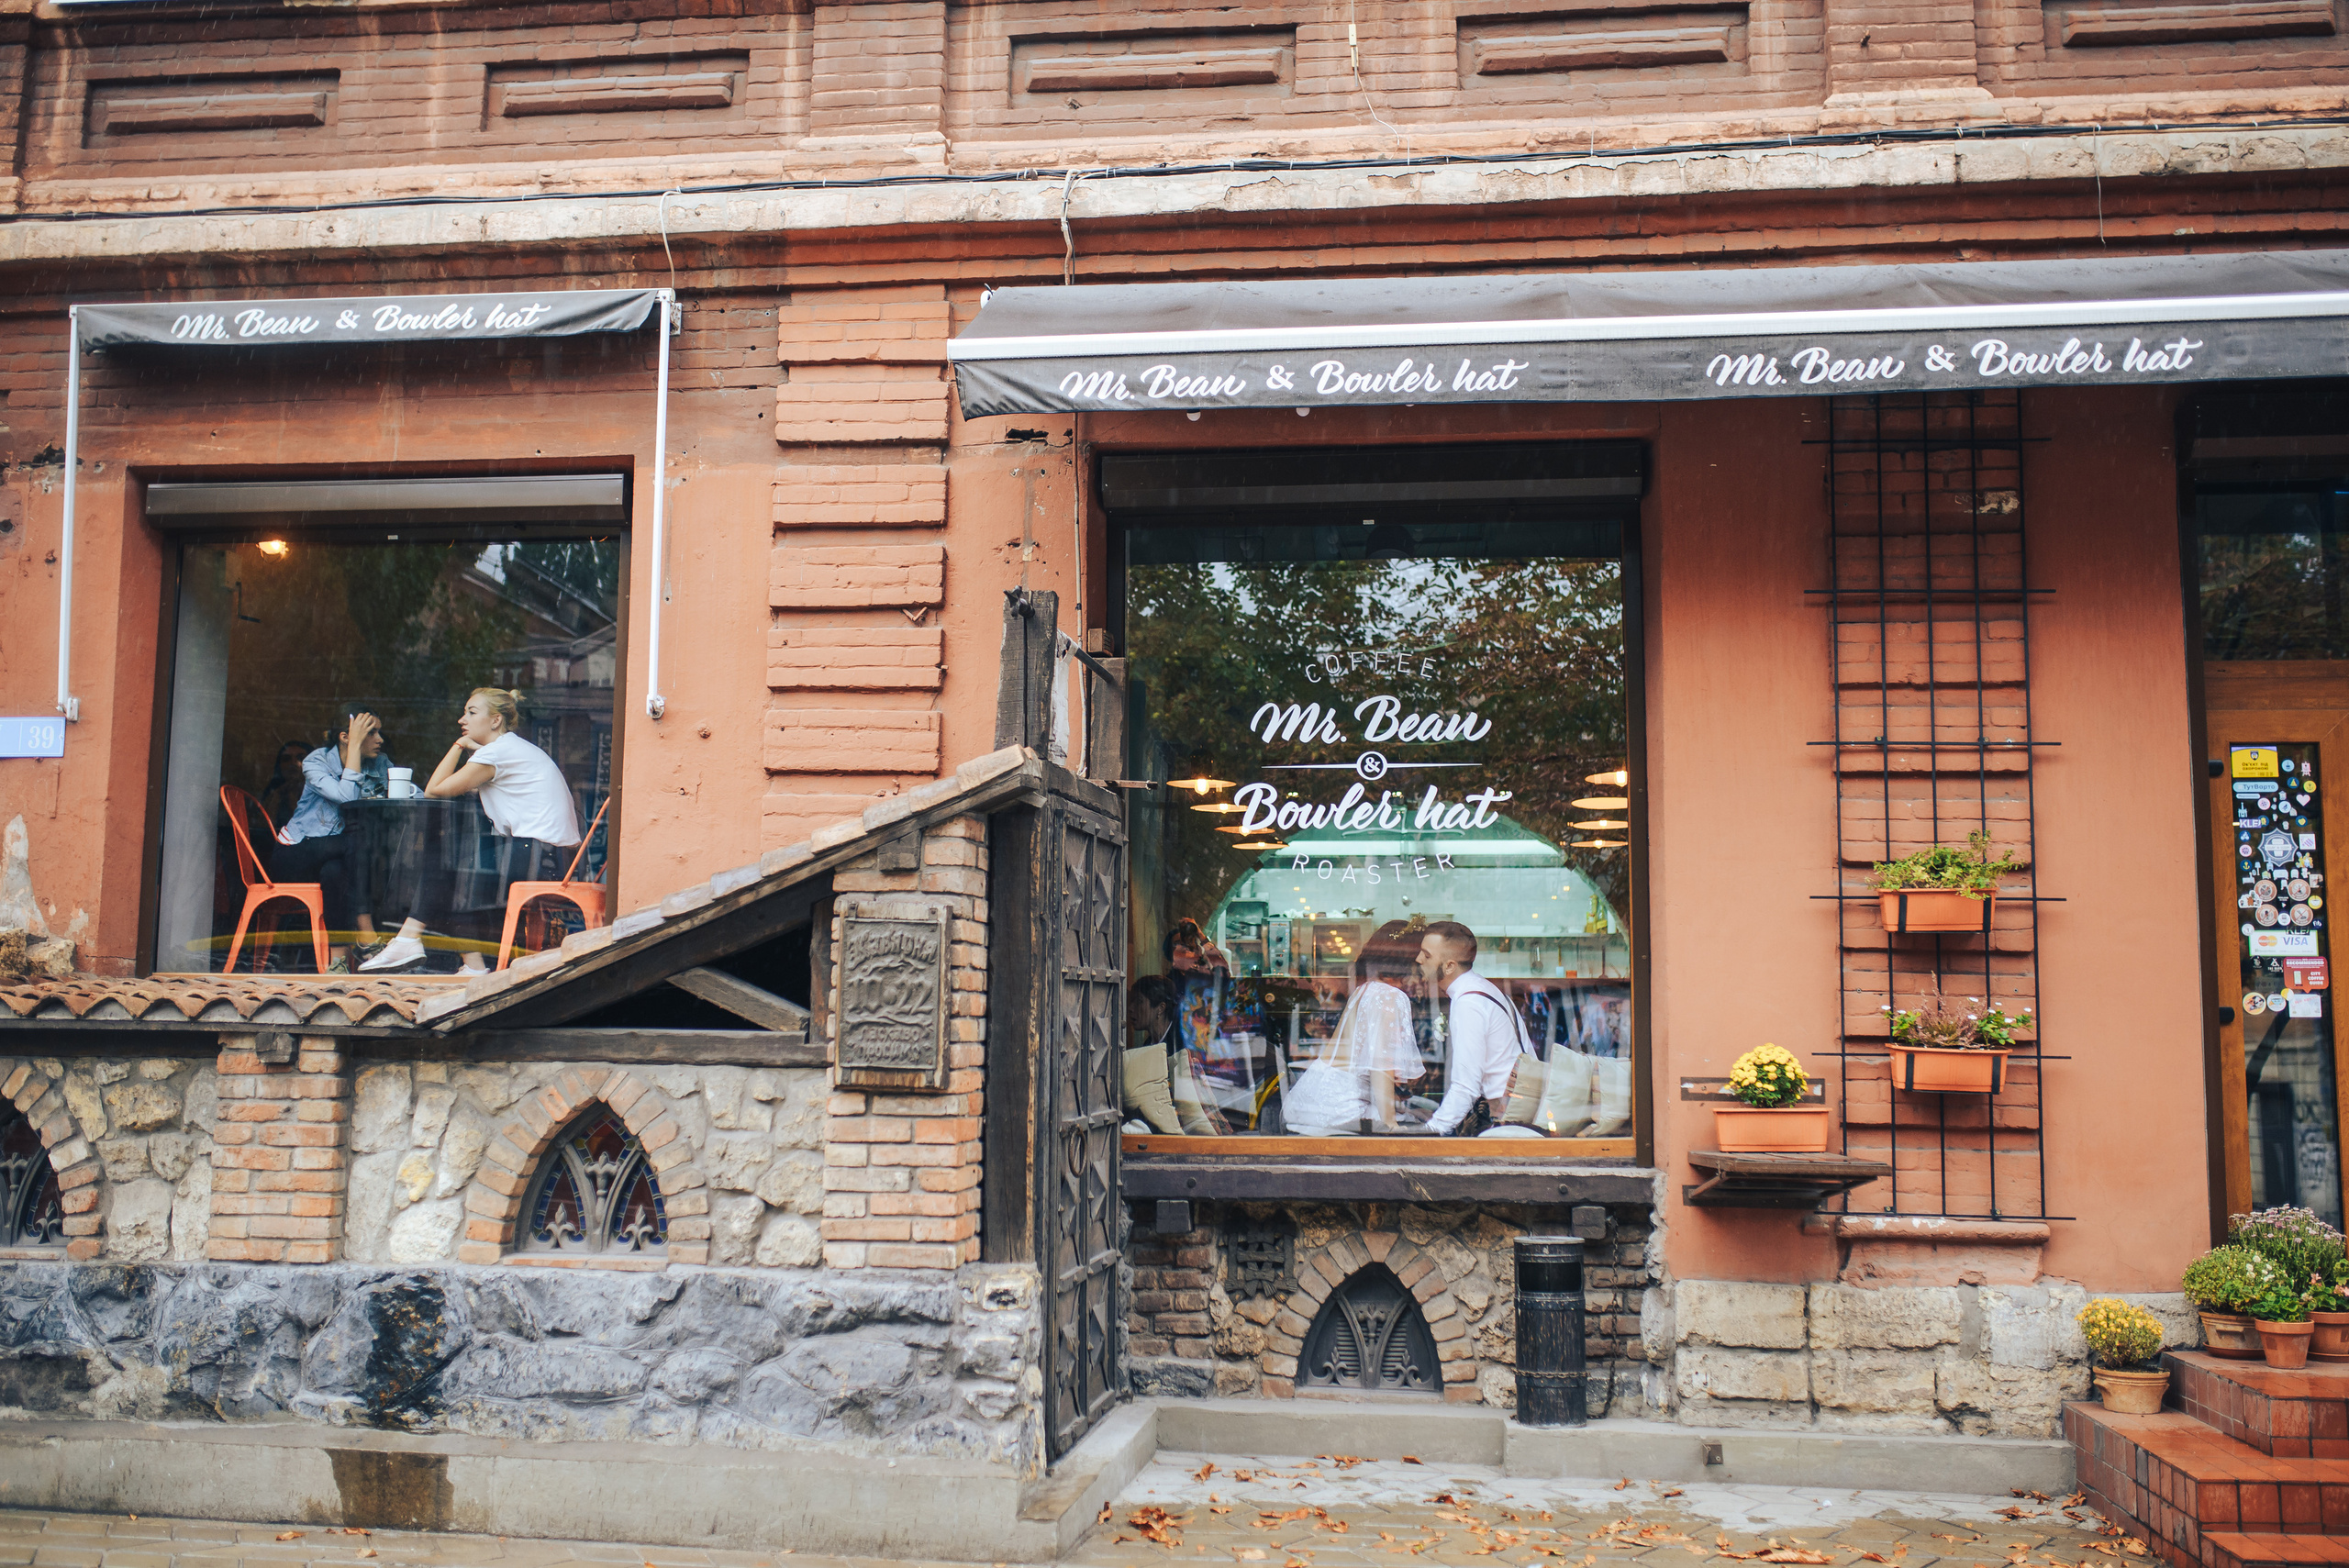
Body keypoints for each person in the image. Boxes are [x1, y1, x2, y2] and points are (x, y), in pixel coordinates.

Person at [361, 687, 579, 973]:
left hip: (538, 857)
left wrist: (458, 746)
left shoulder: (497, 754)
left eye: (471, 712)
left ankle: (409, 940)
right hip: (550, 857)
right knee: (448, 869)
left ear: (495, 721)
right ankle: (462, 960)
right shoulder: (507, 750)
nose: (462, 720)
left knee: (447, 870)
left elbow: (434, 791)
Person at [268, 706, 391, 972]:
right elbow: (346, 798)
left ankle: (337, 961)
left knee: (335, 871)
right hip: (295, 854)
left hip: (337, 855)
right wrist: (356, 749)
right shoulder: (317, 761)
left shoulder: (380, 763)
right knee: (357, 840)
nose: (380, 739)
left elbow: (408, 793)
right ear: (346, 736)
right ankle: (367, 935)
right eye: (371, 733)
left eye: (379, 732)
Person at [1283, 920, 1426, 1135]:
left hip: (1308, 1100)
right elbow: (1380, 1066)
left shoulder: (1367, 990)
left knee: (1417, 1113)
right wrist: (1391, 1124)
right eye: (1424, 955)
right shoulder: (1389, 996)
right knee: (1421, 1119)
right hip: (1340, 1109)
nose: (1425, 962)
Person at [1418, 920, 1533, 1137]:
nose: (1418, 959)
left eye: (1427, 955)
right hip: (1519, 1110)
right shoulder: (1487, 990)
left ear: (1450, 966)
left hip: (1503, 1117)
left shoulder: (1468, 1002)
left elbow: (1466, 1086)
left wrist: (1430, 1133)